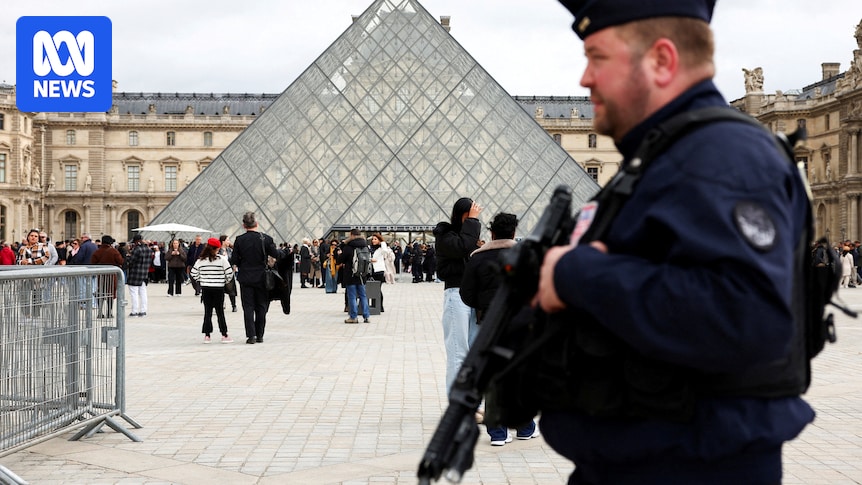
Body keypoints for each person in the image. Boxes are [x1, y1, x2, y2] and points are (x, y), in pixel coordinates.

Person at [533, 1, 814, 482]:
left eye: (597, 57)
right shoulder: (670, 155)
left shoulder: (721, 157)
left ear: (662, 60)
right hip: (657, 454)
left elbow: (746, 315)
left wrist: (576, 273)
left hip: (692, 464)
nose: (585, 79)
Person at [460, 212, 538, 446]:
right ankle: (524, 427)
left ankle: (498, 433)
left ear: (491, 233)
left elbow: (466, 294)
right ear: (514, 232)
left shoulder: (477, 258)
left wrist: (482, 306)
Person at [433, 197, 482, 390]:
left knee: (472, 352)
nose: (475, 217)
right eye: (470, 215)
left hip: (473, 297)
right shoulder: (445, 235)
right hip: (456, 295)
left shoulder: (469, 236)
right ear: (463, 214)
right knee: (457, 352)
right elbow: (462, 247)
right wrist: (473, 221)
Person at [229, 211, 279, 344]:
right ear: (256, 223)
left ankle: (251, 336)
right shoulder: (266, 238)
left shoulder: (239, 240)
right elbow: (275, 254)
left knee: (248, 307)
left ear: (243, 225)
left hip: (245, 277)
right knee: (261, 306)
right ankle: (260, 335)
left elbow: (234, 260)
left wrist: (241, 263)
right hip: (262, 277)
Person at [190, 238, 235, 343]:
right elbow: (229, 274)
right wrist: (224, 280)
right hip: (219, 288)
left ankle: (207, 335)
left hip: (206, 289)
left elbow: (193, 273)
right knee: (220, 313)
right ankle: (224, 334)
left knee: (207, 312)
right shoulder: (222, 260)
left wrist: (201, 280)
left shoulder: (200, 260)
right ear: (217, 248)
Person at [337, 229, 371, 324]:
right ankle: (366, 316)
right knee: (363, 296)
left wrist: (342, 248)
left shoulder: (349, 247)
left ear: (351, 235)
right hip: (362, 275)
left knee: (352, 296)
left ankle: (353, 317)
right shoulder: (365, 246)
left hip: (351, 274)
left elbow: (340, 260)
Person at [90, 235, 124, 318]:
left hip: (101, 275)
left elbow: (92, 263)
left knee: (100, 293)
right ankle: (109, 312)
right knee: (110, 294)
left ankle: (100, 312)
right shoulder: (114, 251)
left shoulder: (97, 251)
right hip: (111, 275)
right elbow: (121, 261)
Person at [126, 234, 152, 317]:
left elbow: (131, 261)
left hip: (135, 274)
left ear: (136, 241)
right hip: (144, 274)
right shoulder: (148, 249)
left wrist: (128, 257)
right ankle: (143, 311)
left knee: (134, 293)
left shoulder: (136, 250)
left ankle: (134, 311)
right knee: (143, 293)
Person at [218, 235, 238, 312]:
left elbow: (233, 259)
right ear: (223, 241)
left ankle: (234, 305)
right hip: (220, 273)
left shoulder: (230, 250)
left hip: (229, 273)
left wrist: (234, 265)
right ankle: (222, 303)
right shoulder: (218, 250)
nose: (229, 242)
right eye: (227, 240)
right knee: (221, 290)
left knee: (231, 290)